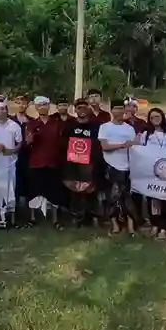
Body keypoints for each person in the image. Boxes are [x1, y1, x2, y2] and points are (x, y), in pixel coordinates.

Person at [58, 99, 103, 229]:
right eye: (79, 108)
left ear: (88, 109)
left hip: (90, 164)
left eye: (84, 108)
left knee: (91, 191)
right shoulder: (69, 125)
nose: (81, 110)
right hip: (73, 164)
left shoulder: (96, 126)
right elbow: (63, 144)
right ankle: (77, 217)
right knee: (75, 191)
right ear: (75, 110)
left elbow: (98, 144)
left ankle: (93, 217)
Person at [98, 101, 138, 235]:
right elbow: (105, 147)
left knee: (128, 198)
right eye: (117, 108)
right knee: (112, 197)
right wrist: (121, 145)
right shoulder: (105, 127)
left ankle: (131, 226)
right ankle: (115, 225)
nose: (120, 111)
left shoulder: (129, 128)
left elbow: (134, 147)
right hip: (111, 165)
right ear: (111, 111)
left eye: (122, 108)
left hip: (127, 167)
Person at [140, 107, 166, 239]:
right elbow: (140, 150)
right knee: (152, 199)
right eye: (152, 118)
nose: (155, 119)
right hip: (150, 171)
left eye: (157, 117)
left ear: (162, 118)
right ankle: (155, 224)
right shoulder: (146, 134)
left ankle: (163, 227)